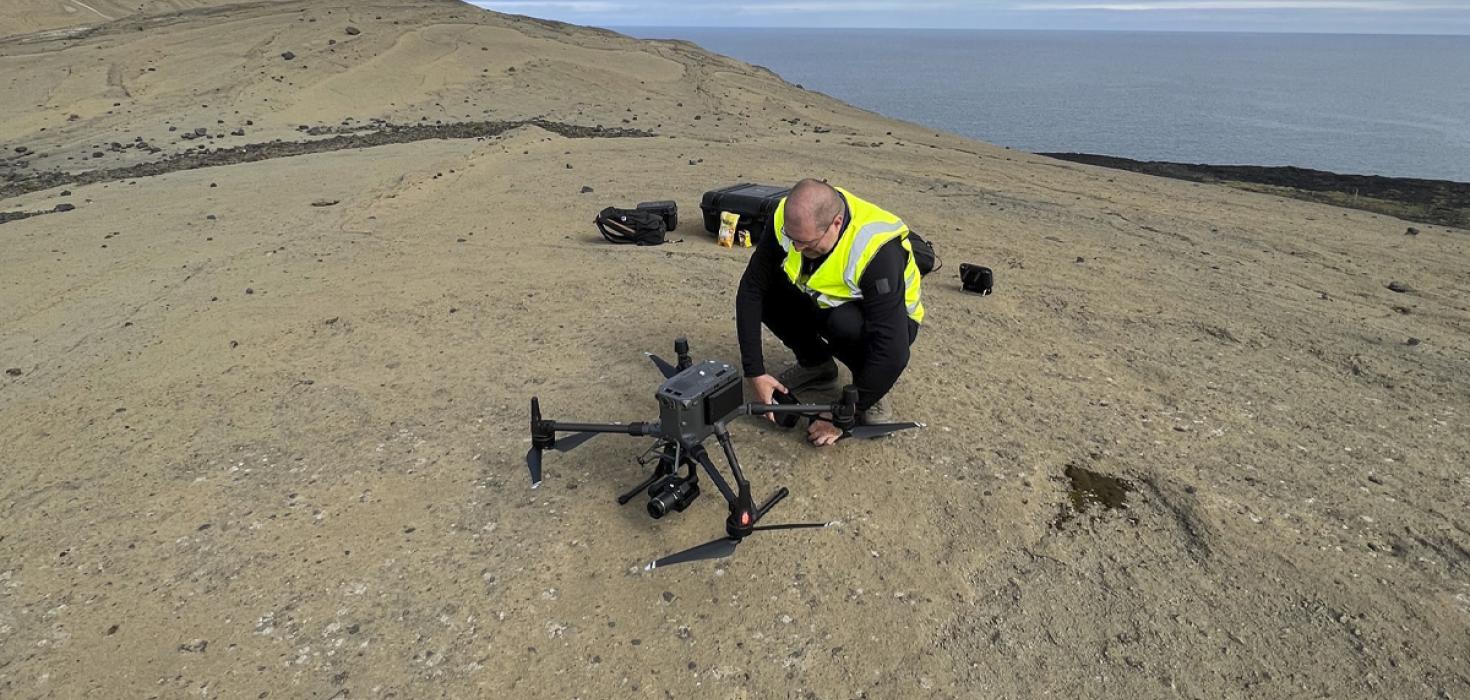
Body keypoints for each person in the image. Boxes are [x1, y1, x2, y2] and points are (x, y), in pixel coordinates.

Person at [736, 179, 925, 447]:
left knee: (843, 323)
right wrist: (754, 371)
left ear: (836, 224)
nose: (797, 248)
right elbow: (752, 287)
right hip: (826, 299)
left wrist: (842, 414)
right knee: (767, 289)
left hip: (893, 323)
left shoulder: (877, 251)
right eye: (793, 239)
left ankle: (869, 390)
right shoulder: (786, 219)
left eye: (806, 242)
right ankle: (816, 365)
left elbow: (893, 352)